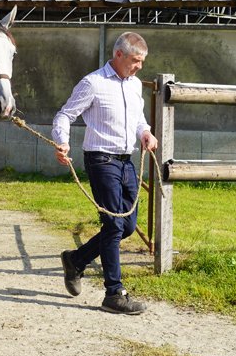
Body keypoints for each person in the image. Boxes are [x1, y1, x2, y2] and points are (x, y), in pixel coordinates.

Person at [51, 32, 159, 315]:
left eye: (142, 61)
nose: (139, 67)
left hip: (126, 161)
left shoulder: (135, 85)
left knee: (127, 226)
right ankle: (114, 293)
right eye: (135, 60)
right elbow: (65, 115)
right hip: (101, 160)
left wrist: (145, 133)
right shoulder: (93, 83)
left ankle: (76, 259)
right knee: (113, 225)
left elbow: (138, 118)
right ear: (119, 55)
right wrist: (62, 142)